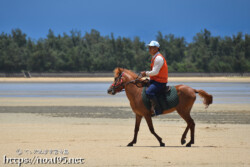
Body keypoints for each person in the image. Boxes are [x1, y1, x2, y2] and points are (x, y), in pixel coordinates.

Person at [141, 40, 168, 116]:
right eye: (149, 48)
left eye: (151, 47)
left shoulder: (158, 58)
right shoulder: (155, 57)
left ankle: (158, 109)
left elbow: (155, 72)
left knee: (149, 92)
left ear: (156, 48)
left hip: (160, 82)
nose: (149, 49)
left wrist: (145, 73)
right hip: (155, 80)